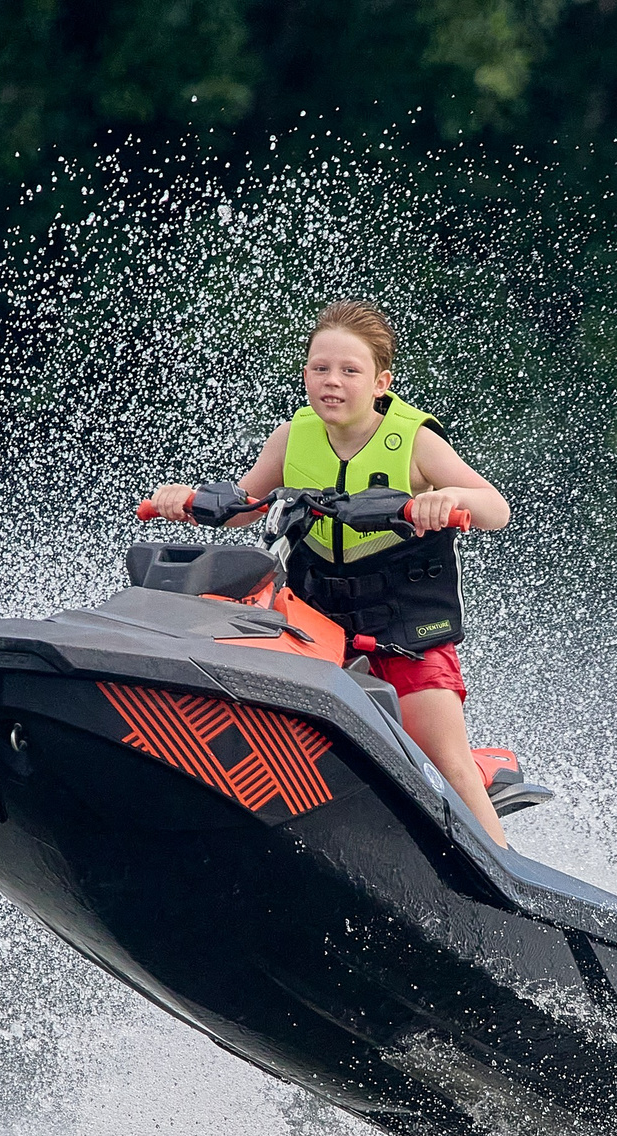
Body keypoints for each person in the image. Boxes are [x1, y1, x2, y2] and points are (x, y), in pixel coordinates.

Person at [144, 300, 515, 845]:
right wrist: (189, 498)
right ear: (305, 375)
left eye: (350, 371)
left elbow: (495, 508)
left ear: (380, 383)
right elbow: (247, 504)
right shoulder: (293, 437)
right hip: (316, 625)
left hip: (406, 629)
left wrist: (449, 497)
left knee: (446, 758)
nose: (332, 382)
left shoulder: (415, 441)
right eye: (320, 368)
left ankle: (509, 888)